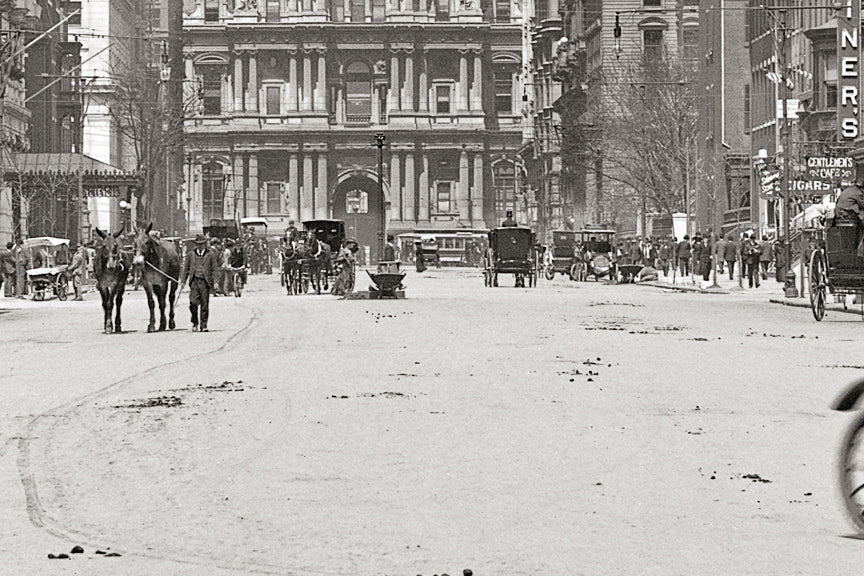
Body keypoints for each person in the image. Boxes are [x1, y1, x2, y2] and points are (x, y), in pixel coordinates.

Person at [179, 234, 217, 332]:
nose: (200, 246)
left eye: (202, 244)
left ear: (205, 244)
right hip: (194, 282)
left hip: (205, 282)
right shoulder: (190, 254)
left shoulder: (210, 254)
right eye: (198, 244)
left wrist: (216, 282)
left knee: (204, 304)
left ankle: (203, 325)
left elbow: (215, 269)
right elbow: (186, 269)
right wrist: (183, 281)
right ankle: (195, 321)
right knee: (193, 303)